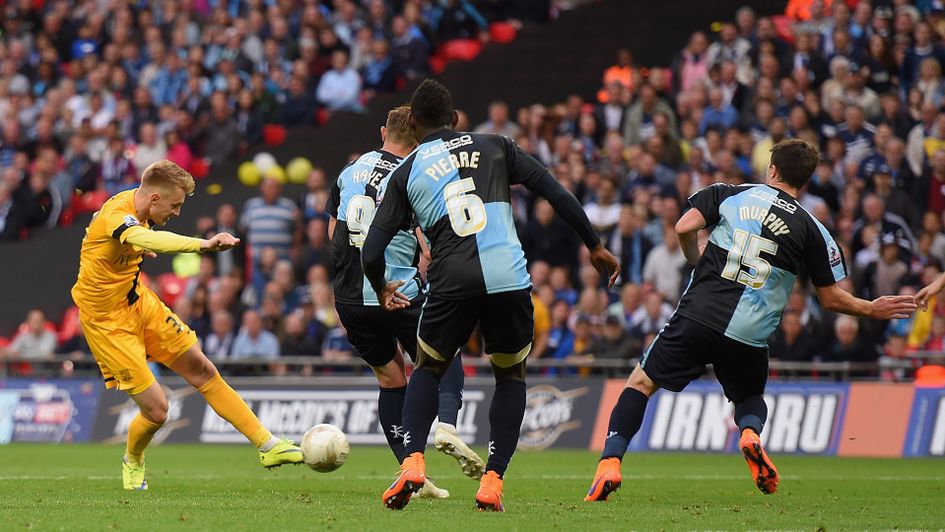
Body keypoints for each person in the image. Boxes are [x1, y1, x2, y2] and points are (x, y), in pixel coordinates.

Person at [585, 140, 916, 502]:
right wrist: (871, 308)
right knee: (749, 398)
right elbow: (831, 297)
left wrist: (696, 258)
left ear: (772, 170)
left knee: (641, 383)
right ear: (803, 181)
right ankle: (750, 435)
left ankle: (610, 463)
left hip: (698, 314)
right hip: (749, 332)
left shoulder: (732, 193)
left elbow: (683, 227)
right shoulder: (814, 230)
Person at [362, 80, 619, 511]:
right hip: (507, 278)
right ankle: (493, 481)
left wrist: (380, 286)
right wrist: (593, 243)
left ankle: (412, 464)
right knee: (511, 376)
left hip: (451, 281)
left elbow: (372, 249)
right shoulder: (496, 145)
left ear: (416, 124)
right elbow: (553, 190)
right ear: (456, 118)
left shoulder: (407, 171)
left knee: (427, 367)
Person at [70, 160, 303, 491]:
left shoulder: (135, 210)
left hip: (139, 303)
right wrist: (202, 245)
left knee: (203, 370)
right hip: (107, 324)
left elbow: (123, 236)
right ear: (153, 198)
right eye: (175, 205)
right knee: (157, 411)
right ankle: (132, 459)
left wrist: (136, 247)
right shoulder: (118, 216)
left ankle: (268, 446)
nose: (178, 212)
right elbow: (143, 237)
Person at [326, 105, 482, 499]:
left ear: (383, 132)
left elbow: (333, 231)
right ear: (417, 140)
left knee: (390, 378)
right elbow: (430, 241)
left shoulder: (350, 170)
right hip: (397, 290)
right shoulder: (417, 173)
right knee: (441, 356)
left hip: (349, 297)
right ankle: (446, 425)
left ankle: (413, 473)